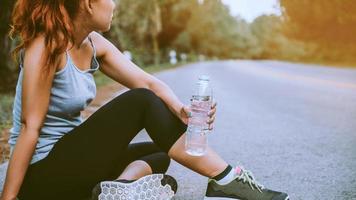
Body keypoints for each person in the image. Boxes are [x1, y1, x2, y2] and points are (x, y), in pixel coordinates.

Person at [0, 0, 290, 200]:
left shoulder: (92, 44)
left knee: (162, 151)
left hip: (72, 170)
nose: (114, 5)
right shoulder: (45, 46)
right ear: (88, 3)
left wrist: (181, 110)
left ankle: (117, 190)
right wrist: (11, 196)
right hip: (42, 174)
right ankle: (228, 179)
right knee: (140, 101)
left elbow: (149, 80)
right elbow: (29, 127)